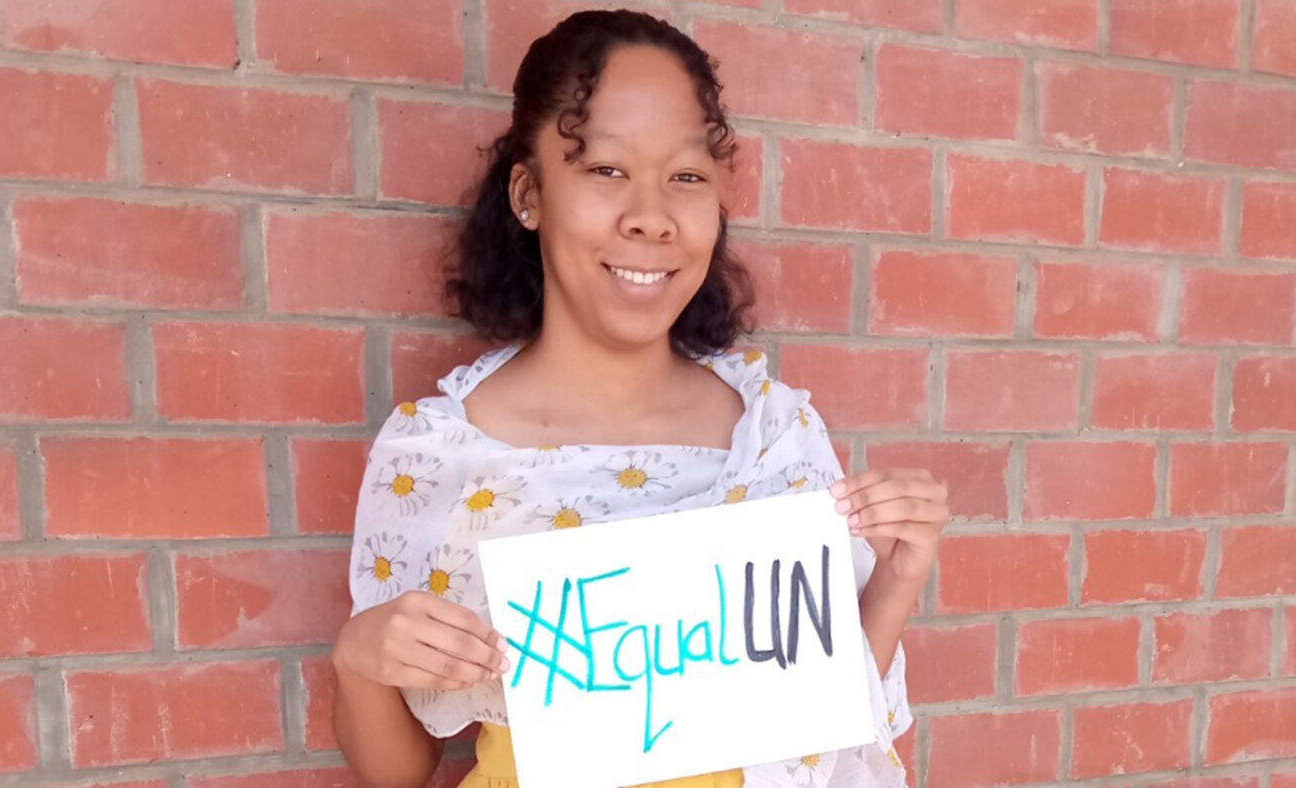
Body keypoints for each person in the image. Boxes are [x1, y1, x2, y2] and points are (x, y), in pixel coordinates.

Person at [329, 9, 948, 788]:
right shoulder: (440, 456)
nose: (651, 218)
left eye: (685, 177)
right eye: (606, 170)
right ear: (529, 193)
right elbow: (398, 772)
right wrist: (361, 658)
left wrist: (893, 579)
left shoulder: (771, 433)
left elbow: (818, 714)